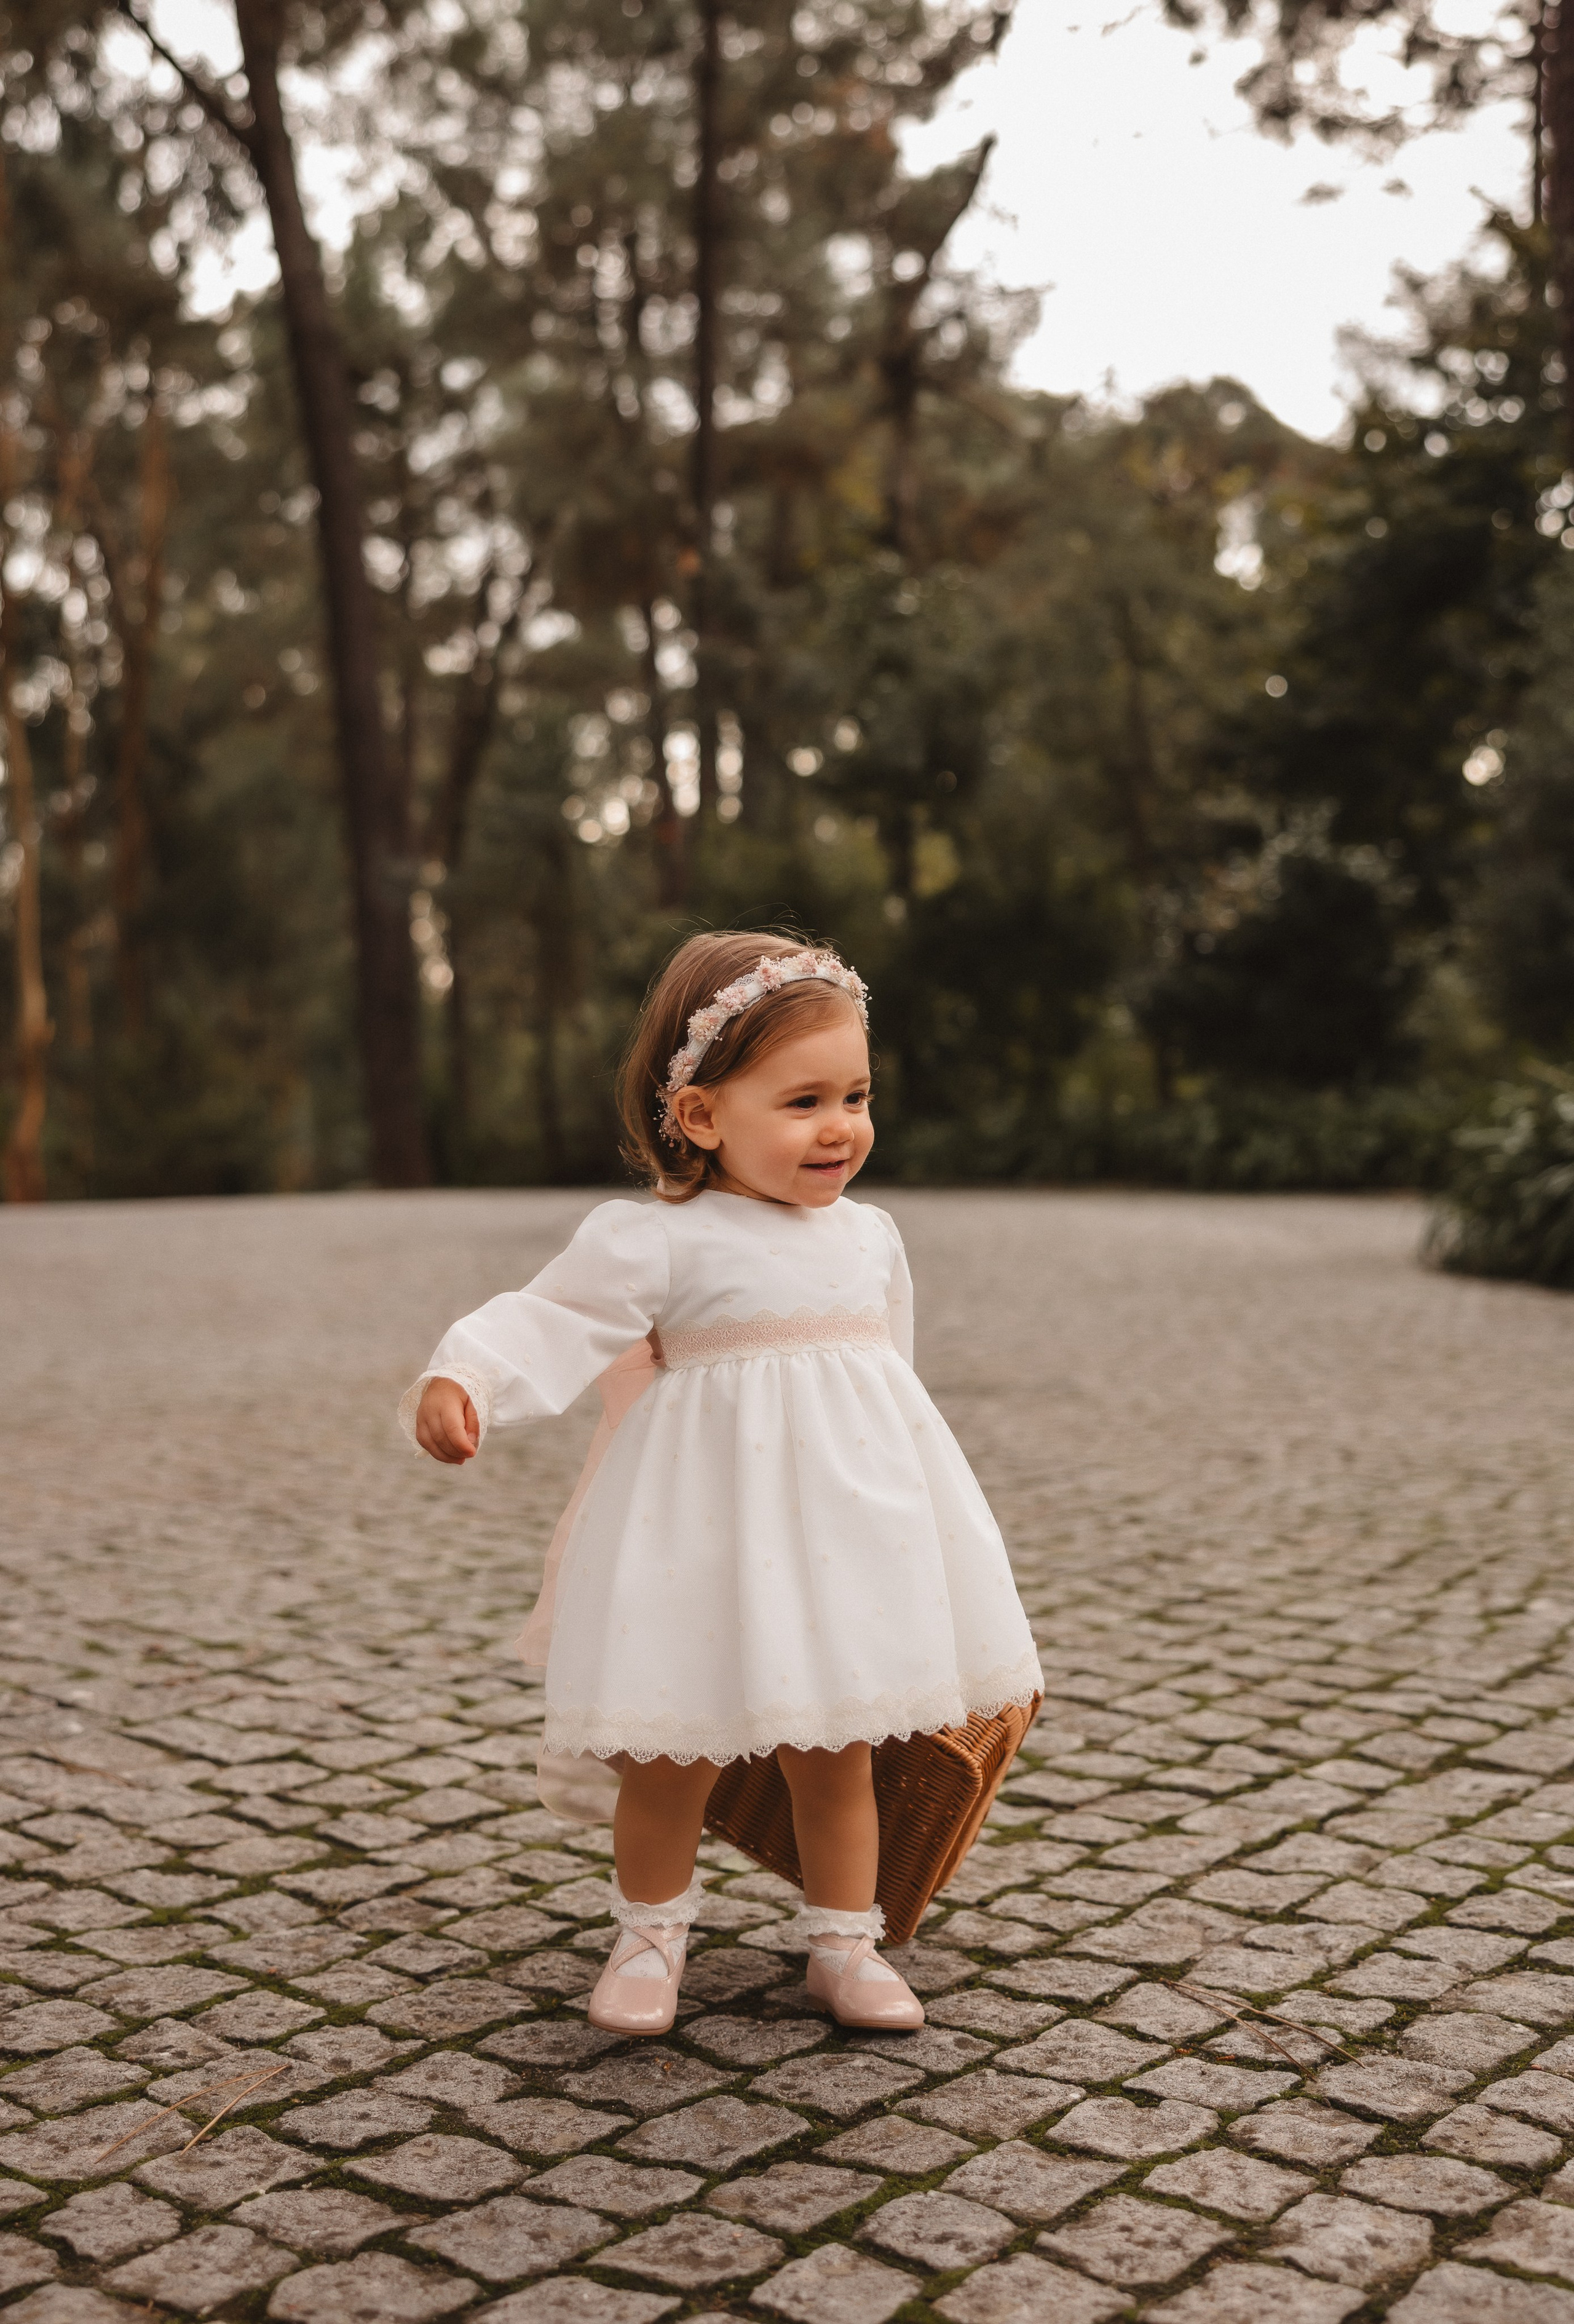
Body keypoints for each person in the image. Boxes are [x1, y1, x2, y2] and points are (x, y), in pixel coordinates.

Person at [401, 931, 1042, 2036]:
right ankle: (650, 1935)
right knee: (668, 1753)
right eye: (803, 1102)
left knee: (837, 1750)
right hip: (698, 1530)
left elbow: (889, 1375)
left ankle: (846, 1943)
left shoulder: (871, 1238)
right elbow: (551, 1315)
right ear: (702, 1115)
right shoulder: (662, 1242)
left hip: (844, 1526)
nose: (840, 1126)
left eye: (856, 1094)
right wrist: (465, 1373)